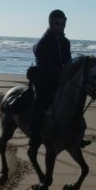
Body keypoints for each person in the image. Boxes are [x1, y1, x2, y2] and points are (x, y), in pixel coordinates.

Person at [30, 9, 72, 137]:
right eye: (57, 23)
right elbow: (42, 62)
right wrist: (58, 71)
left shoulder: (65, 42)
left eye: (62, 23)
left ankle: (75, 132)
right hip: (44, 77)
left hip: (60, 77)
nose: (60, 26)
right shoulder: (44, 41)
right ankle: (35, 132)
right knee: (42, 100)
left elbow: (68, 61)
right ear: (51, 23)